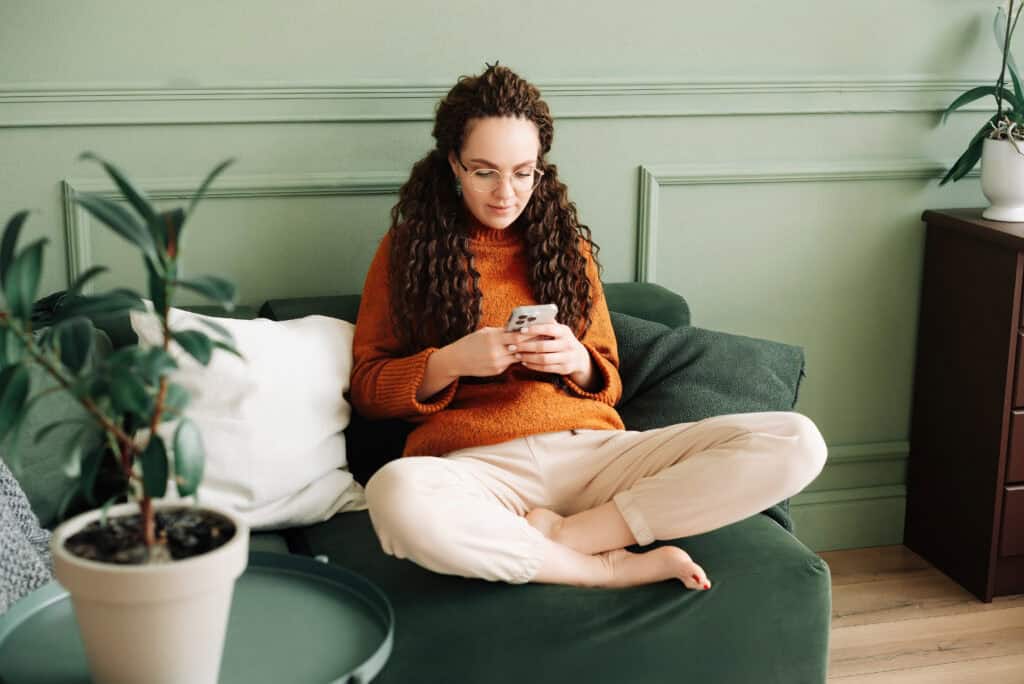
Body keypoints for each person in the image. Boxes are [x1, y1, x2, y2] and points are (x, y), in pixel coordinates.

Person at [349, 62, 827, 590]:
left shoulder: (566, 249)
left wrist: (576, 361)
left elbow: (610, 379)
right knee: (394, 492)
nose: (506, 192)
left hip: (593, 457)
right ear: (453, 166)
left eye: (523, 171)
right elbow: (368, 388)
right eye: (484, 171)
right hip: (479, 473)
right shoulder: (405, 253)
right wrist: (451, 362)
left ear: (540, 169)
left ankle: (575, 536)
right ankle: (599, 569)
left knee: (798, 440)